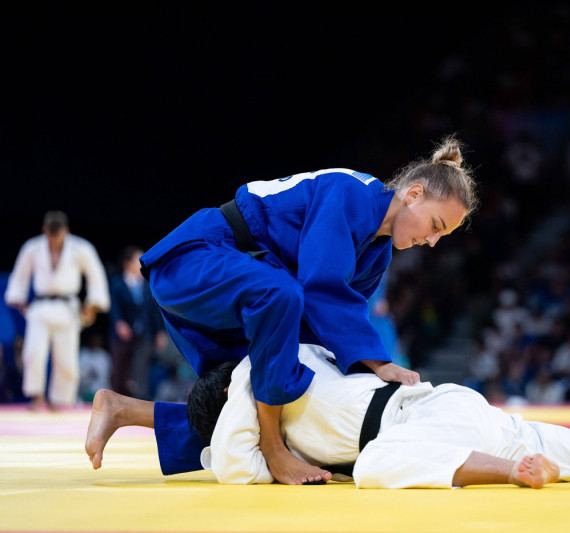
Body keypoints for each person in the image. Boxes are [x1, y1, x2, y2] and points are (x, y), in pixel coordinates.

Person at [132, 134, 479, 484]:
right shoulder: (351, 193)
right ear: (414, 194)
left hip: (240, 297)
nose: (431, 241)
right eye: (435, 225)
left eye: (441, 237)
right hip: (195, 261)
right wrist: (379, 362)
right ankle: (272, 449)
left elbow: (320, 330)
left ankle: (121, 410)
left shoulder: (378, 254)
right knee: (284, 297)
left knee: (257, 400)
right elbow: (319, 289)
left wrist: (356, 382)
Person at [85, 343, 570, 489]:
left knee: (374, 468)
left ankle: (513, 471)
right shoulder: (290, 348)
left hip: (415, 432)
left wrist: (214, 450)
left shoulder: (243, 397)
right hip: (447, 402)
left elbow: (238, 468)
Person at [4, 210, 110, 410]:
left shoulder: (80, 248)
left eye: (57, 234)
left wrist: (93, 305)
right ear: (44, 231)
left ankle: (60, 400)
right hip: (40, 307)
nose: (53, 239)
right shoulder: (33, 247)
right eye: (50, 234)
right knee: (33, 353)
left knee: (66, 357)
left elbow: (96, 276)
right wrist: (18, 299)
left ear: (66, 231)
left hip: (67, 308)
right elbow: (20, 275)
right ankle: (37, 396)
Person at [108, 245, 167, 399]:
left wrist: (159, 331)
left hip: (144, 332)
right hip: (122, 333)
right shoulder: (117, 283)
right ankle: (118, 400)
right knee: (120, 368)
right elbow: (114, 308)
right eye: (137, 261)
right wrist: (119, 323)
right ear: (127, 263)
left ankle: (141, 400)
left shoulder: (146, 286)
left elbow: (154, 311)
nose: (140, 265)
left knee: (142, 368)